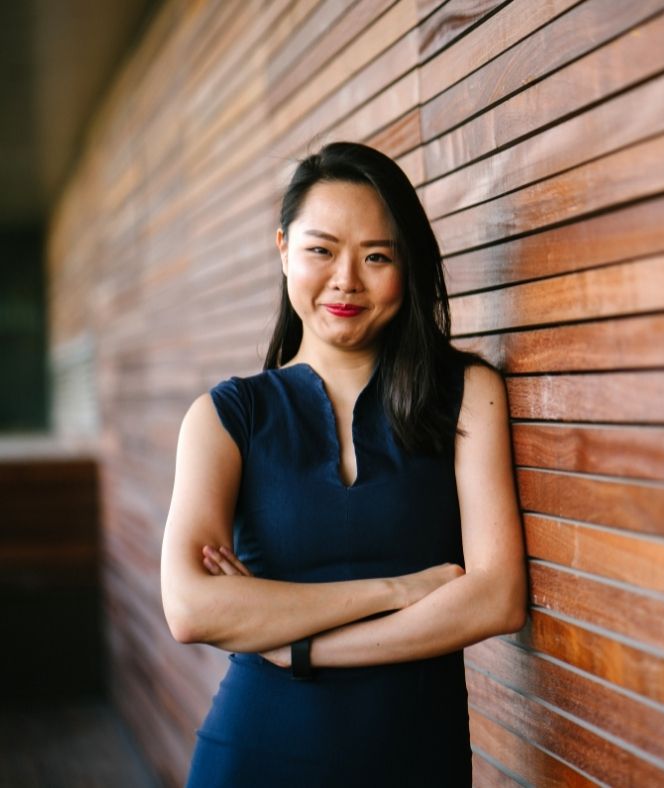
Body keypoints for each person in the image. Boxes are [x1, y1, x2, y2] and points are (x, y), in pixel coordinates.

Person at [160, 141, 527, 787]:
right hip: (255, 753)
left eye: (377, 256)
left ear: (408, 267)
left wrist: (298, 645)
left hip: (414, 759)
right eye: (321, 250)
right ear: (283, 249)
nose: (346, 280)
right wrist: (399, 590)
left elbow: (496, 599)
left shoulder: (466, 393)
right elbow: (192, 608)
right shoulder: (226, 417)